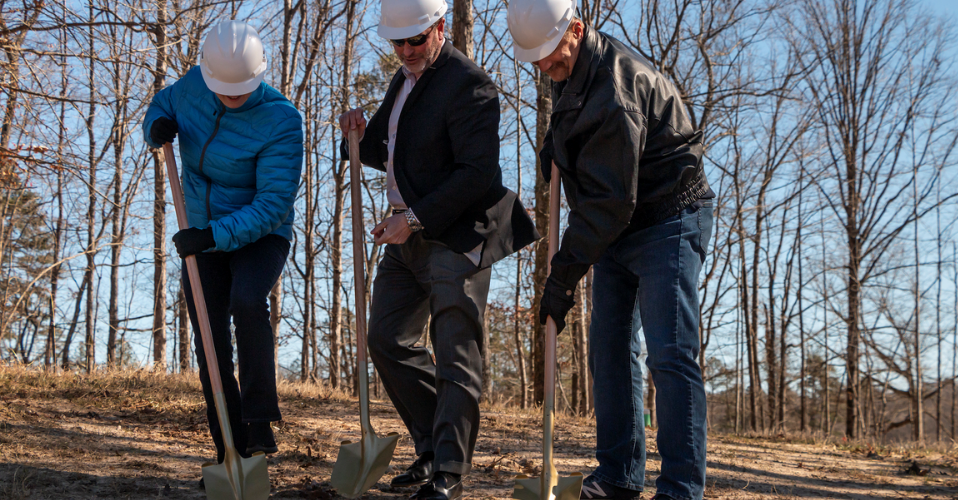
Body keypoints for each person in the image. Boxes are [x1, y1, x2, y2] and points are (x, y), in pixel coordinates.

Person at [506, 1, 715, 499]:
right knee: (609, 347)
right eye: (535, 61)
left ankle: (681, 488)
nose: (545, 68)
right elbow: (592, 168)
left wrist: (561, 277)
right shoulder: (569, 67)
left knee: (669, 353)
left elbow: (609, 203)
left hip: (668, 215)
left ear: (576, 30)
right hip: (620, 222)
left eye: (551, 57)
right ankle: (620, 476)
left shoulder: (616, 91)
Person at [338, 0, 538, 497]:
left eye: (415, 40)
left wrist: (413, 219)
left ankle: (449, 471)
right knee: (386, 338)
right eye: (397, 42)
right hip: (406, 235)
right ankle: (430, 449)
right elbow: (389, 150)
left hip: (456, 233)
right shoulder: (403, 80)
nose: (405, 50)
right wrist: (356, 136)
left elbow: (475, 174)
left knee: (455, 351)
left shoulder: (470, 84)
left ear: (439, 28)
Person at [142, 20, 303, 467]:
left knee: (249, 302)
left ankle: (258, 424)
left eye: (241, 92)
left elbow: (272, 204)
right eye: (224, 91)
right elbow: (161, 104)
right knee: (209, 340)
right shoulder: (192, 87)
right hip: (201, 229)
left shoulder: (282, 120)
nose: (232, 99)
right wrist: (155, 125)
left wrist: (212, 235)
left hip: (258, 233)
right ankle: (226, 450)